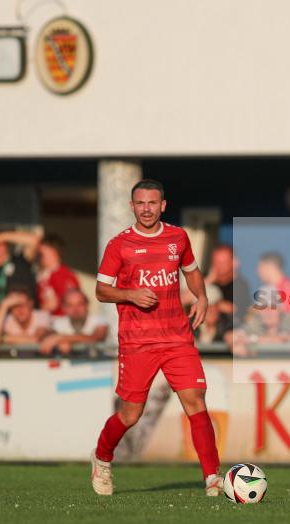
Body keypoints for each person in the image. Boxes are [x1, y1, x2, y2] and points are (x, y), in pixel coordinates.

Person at [90, 179, 222, 497]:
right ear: (132, 206)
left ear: (163, 205)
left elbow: (191, 269)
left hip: (177, 337)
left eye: (152, 203)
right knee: (131, 414)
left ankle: (213, 479)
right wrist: (130, 294)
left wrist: (201, 297)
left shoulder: (178, 237)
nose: (146, 208)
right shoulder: (119, 245)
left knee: (195, 402)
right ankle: (102, 457)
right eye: (140, 203)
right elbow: (101, 290)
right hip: (137, 341)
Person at [0, 227, 38, 315]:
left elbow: (34, 240)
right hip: (2, 321)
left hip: (27, 319)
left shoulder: (21, 261)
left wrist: (1, 237)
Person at [0, 286, 51, 358]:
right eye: (14, 305)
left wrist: (2, 339)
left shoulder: (42, 316)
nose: (20, 309)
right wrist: (4, 306)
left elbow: (36, 339)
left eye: (23, 304)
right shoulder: (7, 319)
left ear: (31, 303)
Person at [41, 289, 109, 355]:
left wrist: (61, 339)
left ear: (87, 305)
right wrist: (59, 341)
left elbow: (95, 338)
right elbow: (47, 338)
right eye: (70, 305)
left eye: (80, 304)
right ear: (64, 308)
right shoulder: (58, 323)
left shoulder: (100, 320)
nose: (75, 309)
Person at [35, 234, 82, 316]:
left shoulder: (65, 276)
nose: (39, 256)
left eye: (42, 253)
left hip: (60, 323)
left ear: (54, 251)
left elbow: (55, 305)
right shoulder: (44, 275)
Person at [206, 243, 251, 317]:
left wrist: (208, 301)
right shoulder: (206, 279)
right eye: (216, 262)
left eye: (223, 263)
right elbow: (183, 299)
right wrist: (208, 280)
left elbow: (235, 310)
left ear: (233, 263)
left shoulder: (240, 286)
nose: (219, 266)